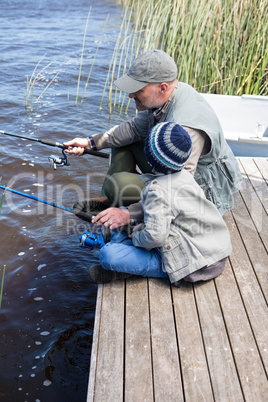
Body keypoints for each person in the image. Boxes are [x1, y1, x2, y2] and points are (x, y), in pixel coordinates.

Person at [64, 49, 242, 229]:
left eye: (137, 90)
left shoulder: (186, 126)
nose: (130, 95)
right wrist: (90, 143)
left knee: (117, 184)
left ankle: (116, 199)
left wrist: (130, 213)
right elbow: (133, 129)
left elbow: (178, 186)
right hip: (172, 171)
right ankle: (110, 200)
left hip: (199, 187)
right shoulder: (165, 97)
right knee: (125, 141)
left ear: (162, 87)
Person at [88, 122, 232, 285]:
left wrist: (136, 236)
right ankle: (123, 249)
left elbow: (155, 237)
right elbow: (159, 211)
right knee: (122, 213)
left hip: (195, 266)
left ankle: (124, 268)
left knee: (109, 255)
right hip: (215, 251)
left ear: (150, 159)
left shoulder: (158, 191)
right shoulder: (185, 176)